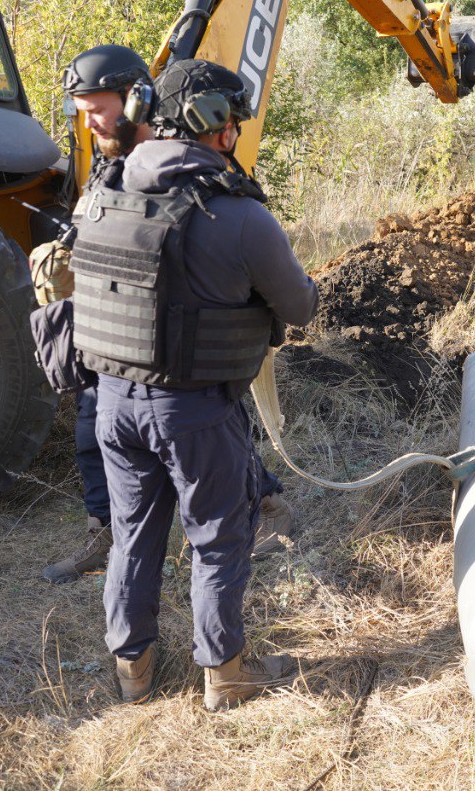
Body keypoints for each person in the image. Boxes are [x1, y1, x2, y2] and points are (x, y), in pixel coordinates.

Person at [69, 58, 318, 708]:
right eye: (233, 120)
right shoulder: (240, 218)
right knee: (217, 535)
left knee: (133, 533)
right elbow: (300, 307)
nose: (236, 131)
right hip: (196, 411)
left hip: (112, 404)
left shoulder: (99, 195)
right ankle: (226, 672)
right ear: (217, 127)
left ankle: (135, 672)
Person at [41, 45, 294, 584]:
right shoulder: (112, 171)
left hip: (185, 356)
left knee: (212, 430)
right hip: (117, 350)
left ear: (138, 101)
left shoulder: (192, 160)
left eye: (97, 110)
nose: (90, 124)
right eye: (81, 113)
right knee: (97, 429)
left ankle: (263, 506)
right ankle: (107, 529)